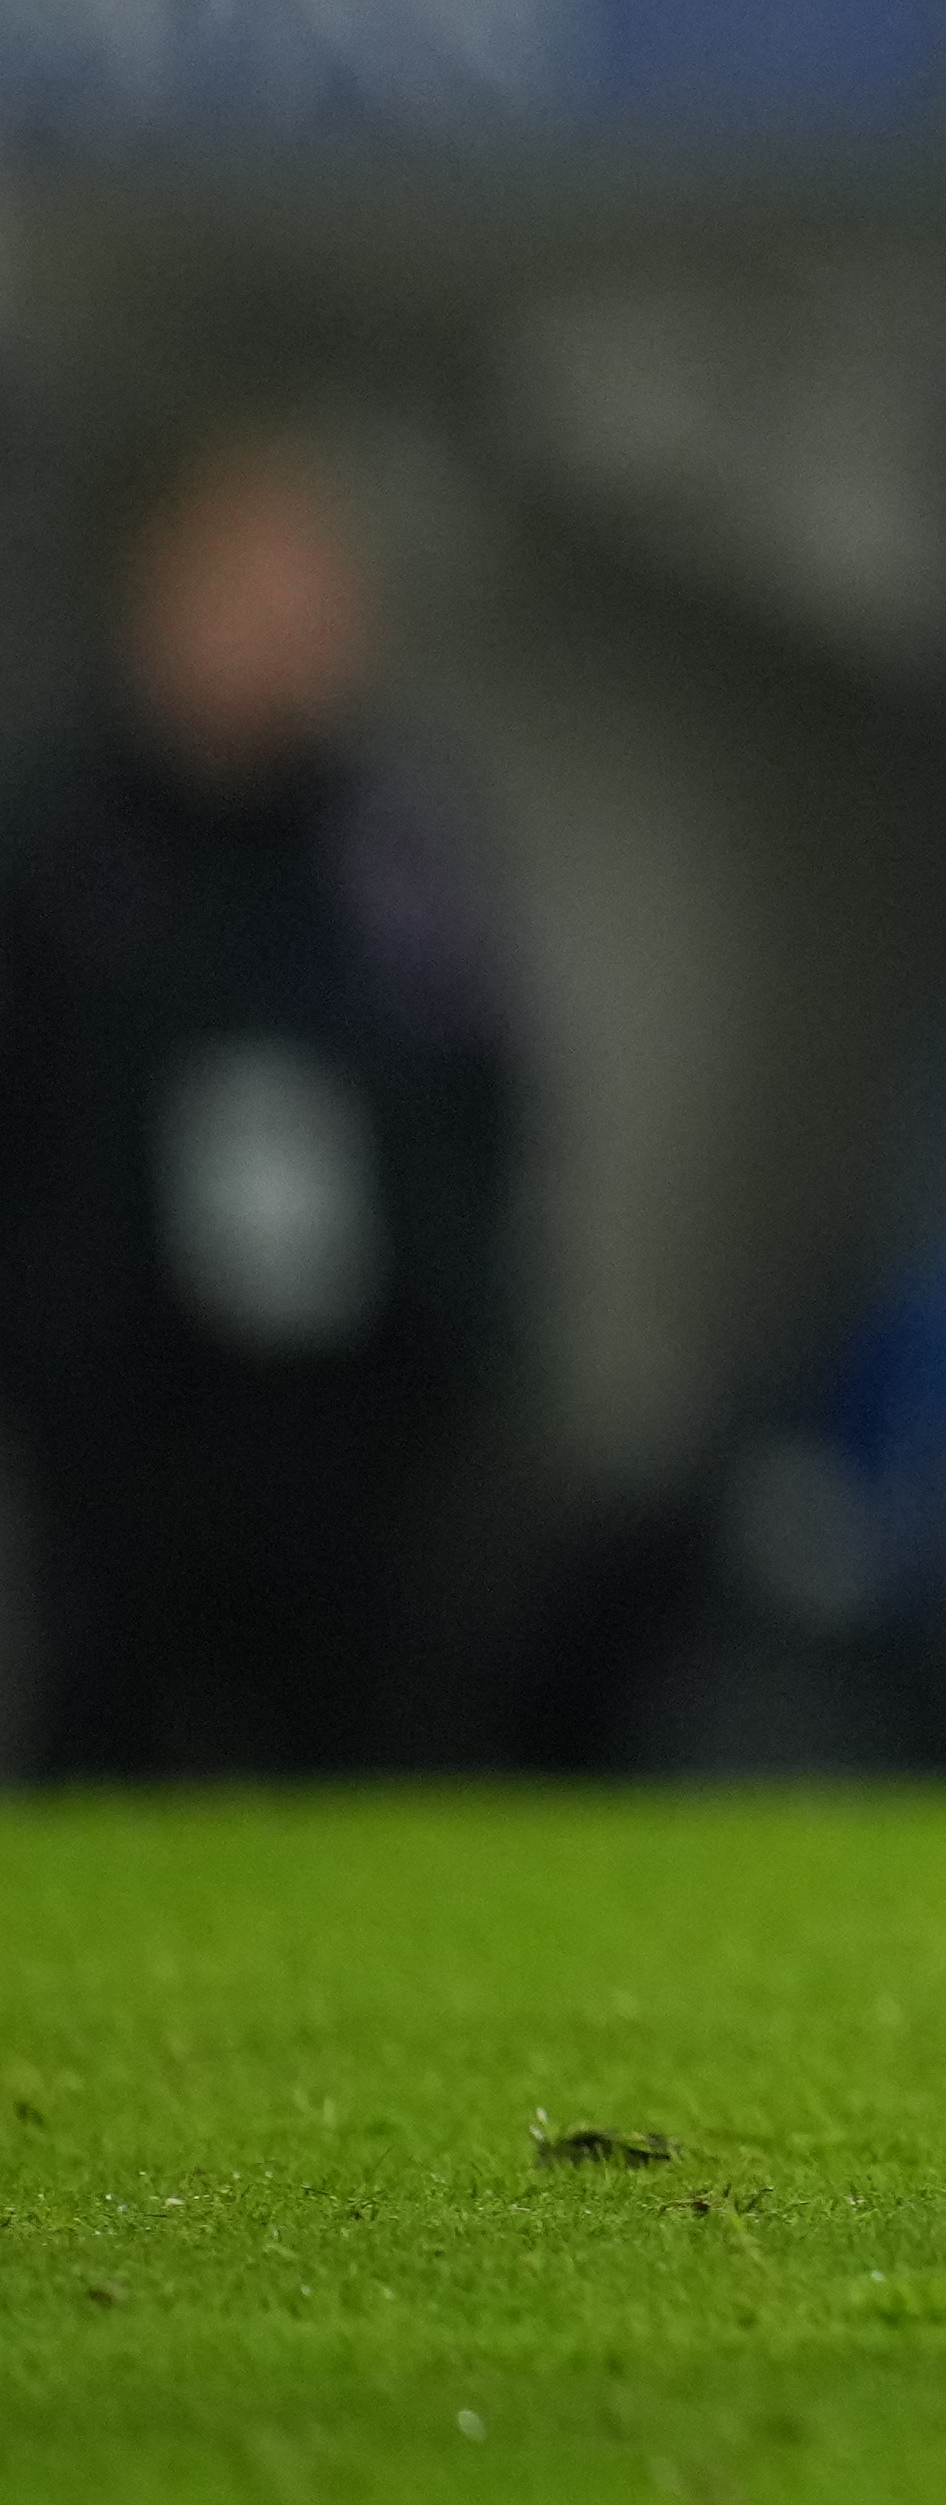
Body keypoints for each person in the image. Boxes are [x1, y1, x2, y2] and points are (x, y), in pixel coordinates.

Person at [0, 423, 527, 1773]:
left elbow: (487, 1093)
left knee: (368, 1758)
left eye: (312, 591)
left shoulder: (396, 854)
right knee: (112, 1754)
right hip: (133, 1428)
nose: (289, 626)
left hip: (352, 1430)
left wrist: (455, 1325)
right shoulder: (68, 861)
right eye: (249, 586)